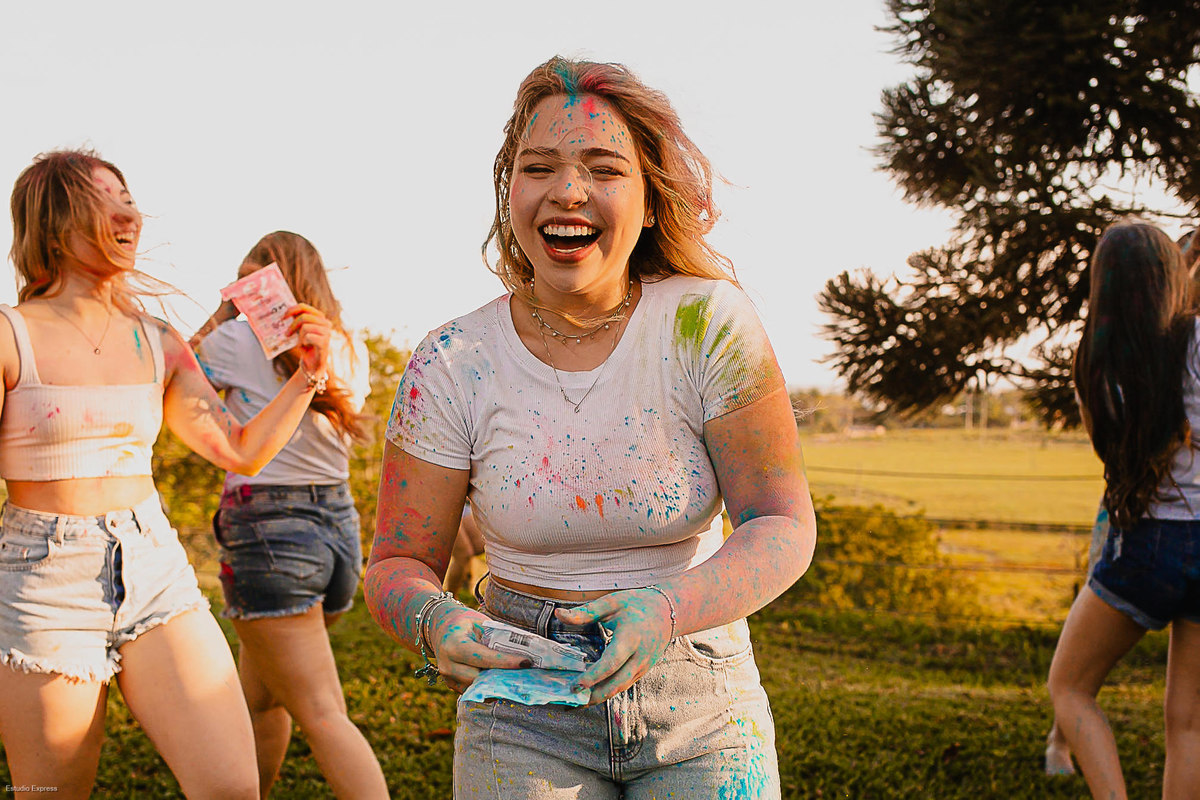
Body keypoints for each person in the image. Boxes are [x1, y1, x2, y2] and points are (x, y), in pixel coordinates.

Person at [365, 56, 817, 798]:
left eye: (604, 168)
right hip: (520, 707)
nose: (567, 191)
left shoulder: (708, 323)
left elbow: (782, 525)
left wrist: (665, 610)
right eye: (538, 167)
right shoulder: (450, 361)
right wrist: (433, 618)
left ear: (648, 199)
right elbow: (395, 564)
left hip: (702, 703)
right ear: (511, 192)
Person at [0, 150, 333, 798]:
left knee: (232, 788)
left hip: (154, 567)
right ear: (54, 219)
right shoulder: (11, 336)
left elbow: (239, 450)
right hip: (43, 580)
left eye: (128, 197)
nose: (130, 213)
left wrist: (306, 376)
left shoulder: (157, 337)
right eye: (107, 201)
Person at [190, 231, 388, 798]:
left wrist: (226, 309)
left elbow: (176, 367)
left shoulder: (230, 339)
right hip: (337, 531)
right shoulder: (347, 346)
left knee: (324, 713)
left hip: (270, 531)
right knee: (262, 697)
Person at [1046, 222, 1200, 799]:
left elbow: (1111, 458)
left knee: (1070, 686)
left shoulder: (1096, 366)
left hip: (1148, 544)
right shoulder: (1197, 341)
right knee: (1189, 722)